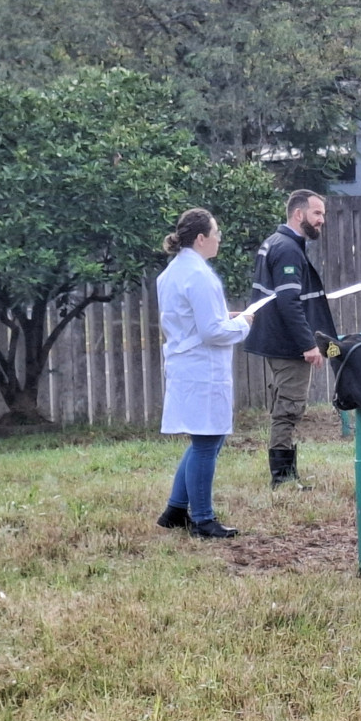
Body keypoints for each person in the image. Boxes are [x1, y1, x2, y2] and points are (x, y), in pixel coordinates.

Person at [155, 208, 254, 538]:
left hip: (187, 365)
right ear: (201, 239)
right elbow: (212, 332)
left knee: (204, 438)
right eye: (216, 234)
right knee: (207, 440)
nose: (219, 239)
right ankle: (202, 519)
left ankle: (175, 509)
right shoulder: (199, 275)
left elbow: (196, 318)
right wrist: (241, 324)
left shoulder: (173, 272)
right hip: (201, 367)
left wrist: (226, 316)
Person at [242, 188, 337, 488]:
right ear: (299, 214)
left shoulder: (277, 242)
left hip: (278, 342)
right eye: (317, 213)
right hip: (288, 346)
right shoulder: (287, 248)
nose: (322, 220)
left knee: (286, 405)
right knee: (289, 407)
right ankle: (282, 478)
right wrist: (308, 344)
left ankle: (287, 474)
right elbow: (288, 302)